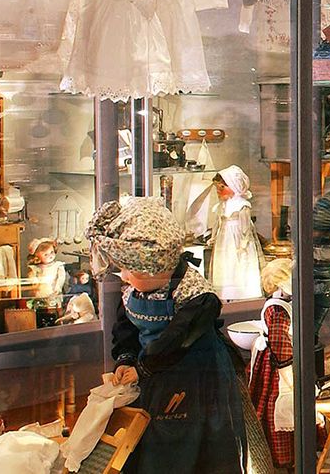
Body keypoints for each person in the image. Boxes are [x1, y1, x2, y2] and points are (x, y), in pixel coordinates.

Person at [89, 197, 254, 473]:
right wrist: (127, 358)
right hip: (152, 374)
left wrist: (144, 366)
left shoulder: (196, 296)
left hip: (195, 377)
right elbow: (126, 326)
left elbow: (177, 340)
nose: (126, 277)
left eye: (132, 270)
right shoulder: (135, 288)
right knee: (150, 442)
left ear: (158, 267)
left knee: (192, 449)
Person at [249, 258, 295, 469]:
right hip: (277, 364)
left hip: (277, 357)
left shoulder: (282, 305)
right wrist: (287, 369)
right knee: (276, 405)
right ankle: (280, 457)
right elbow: (279, 341)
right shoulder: (277, 309)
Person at [208, 166, 264, 300]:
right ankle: (225, 293)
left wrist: (243, 243)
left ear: (235, 186)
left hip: (238, 239)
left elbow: (245, 227)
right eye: (218, 188)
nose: (219, 191)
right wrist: (213, 236)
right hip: (224, 239)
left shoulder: (241, 205)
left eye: (222, 187)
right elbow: (218, 222)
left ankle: (243, 292)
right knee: (225, 264)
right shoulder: (222, 206)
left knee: (240, 265)